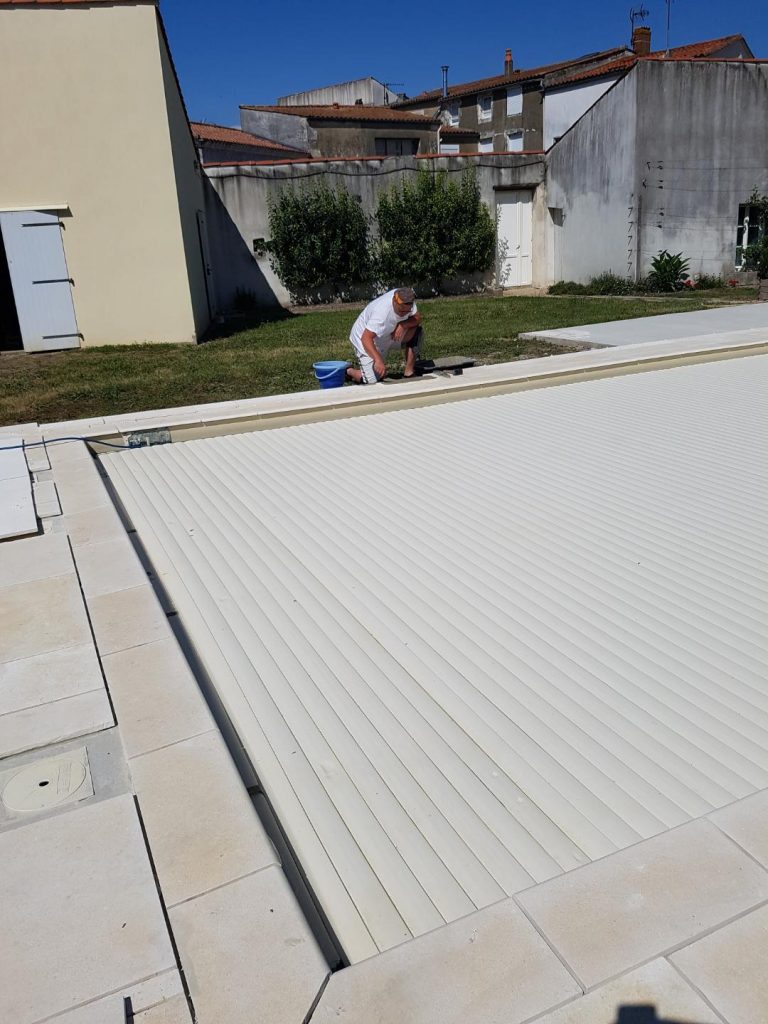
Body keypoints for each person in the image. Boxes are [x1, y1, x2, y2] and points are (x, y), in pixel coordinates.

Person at [347, 287, 423, 384]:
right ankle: (349, 371)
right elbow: (365, 338)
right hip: (365, 339)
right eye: (401, 311)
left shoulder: (407, 298)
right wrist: (378, 360)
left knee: (417, 331)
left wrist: (403, 324)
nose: (404, 314)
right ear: (394, 301)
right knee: (372, 381)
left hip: (388, 334)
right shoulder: (381, 313)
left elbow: (417, 318)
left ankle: (409, 373)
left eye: (407, 312)